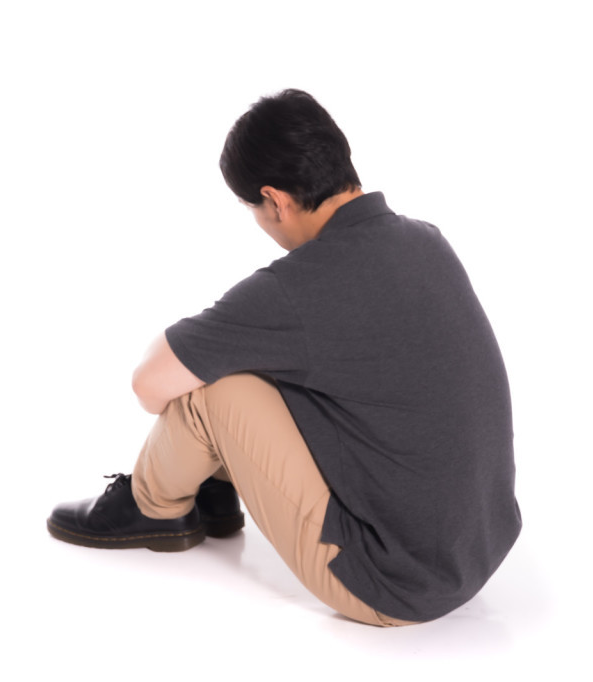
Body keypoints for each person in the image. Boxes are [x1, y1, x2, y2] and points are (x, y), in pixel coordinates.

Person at [47, 89, 521, 626]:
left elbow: (149, 385)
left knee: (211, 387)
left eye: (252, 208)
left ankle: (153, 507)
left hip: (394, 583)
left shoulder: (300, 287)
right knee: (263, 360)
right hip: (476, 552)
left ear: (274, 200)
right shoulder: (425, 241)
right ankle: (215, 491)